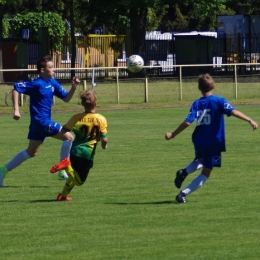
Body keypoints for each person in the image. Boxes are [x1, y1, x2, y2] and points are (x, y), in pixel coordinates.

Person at [165, 73, 258, 203]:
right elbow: (233, 111)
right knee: (206, 172)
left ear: (199, 88)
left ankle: (183, 172)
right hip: (213, 141)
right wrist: (249, 120)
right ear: (214, 86)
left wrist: (173, 134)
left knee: (202, 160)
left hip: (199, 139)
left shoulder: (197, 103)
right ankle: (182, 194)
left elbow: (187, 122)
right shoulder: (219, 101)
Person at [0, 55, 81, 187]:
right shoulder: (37, 83)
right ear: (42, 70)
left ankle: (2, 171)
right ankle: (63, 170)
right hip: (41, 121)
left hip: (39, 124)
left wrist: (73, 88)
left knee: (31, 152)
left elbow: (66, 98)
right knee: (69, 137)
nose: (54, 69)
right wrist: (16, 109)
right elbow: (16, 88)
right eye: (51, 67)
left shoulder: (52, 82)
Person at [49, 90, 108, 201]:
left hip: (74, 151)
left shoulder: (76, 117)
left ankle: (63, 195)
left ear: (82, 104)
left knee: (74, 174)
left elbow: (64, 130)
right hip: (86, 154)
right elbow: (104, 139)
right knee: (79, 181)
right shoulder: (101, 119)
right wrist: (104, 146)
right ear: (96, 103)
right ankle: (66, 166)